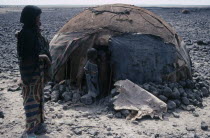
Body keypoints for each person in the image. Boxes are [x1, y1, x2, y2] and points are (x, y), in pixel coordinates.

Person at [16, 5, 51, 138]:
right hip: (30, 74)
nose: (39, 20)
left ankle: (38, 124)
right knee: (31, 98)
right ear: (32, 18)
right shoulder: (26, 34)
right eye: (37, 17)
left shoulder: (32, 32)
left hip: (37, 72)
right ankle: (29, 130)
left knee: (38, 97)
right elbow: (28, 56)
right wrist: (45, 57)